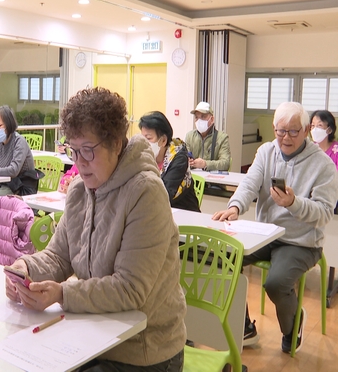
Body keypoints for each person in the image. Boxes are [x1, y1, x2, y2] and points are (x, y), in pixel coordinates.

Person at [6, 87, 186, 371]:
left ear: (116, 143)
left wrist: (62, 294)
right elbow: (59, 256)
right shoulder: (80, 190)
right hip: (92, 334)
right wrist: (25, 268)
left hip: (142, 349)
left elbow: (130, 289)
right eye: (73, 150)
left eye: (88, 151)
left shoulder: (145, 192)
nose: (79, 162)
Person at [212, 102, 338, 353]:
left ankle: (293, 325)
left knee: (276, 283)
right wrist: (235, 206)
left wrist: (293, 203)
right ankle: (244, 326)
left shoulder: (323, 164)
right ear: (273, 128)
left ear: (306, 131)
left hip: (301, 241)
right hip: (265, 235)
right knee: (222, 259)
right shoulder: (266, 152)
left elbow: (325, 213)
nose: (286, 138)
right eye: (281, 131)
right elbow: (249, 183)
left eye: (293, 131)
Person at [139, 111, 200, 212]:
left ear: (163, 140)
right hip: (156, 212)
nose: (144, 143)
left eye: (149, 138)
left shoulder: (179, 159)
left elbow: (165, 194)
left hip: (183, 213)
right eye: (142, 138)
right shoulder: (144, 158)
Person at [0, 105, 38, 196]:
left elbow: (13, 170)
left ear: (9, 124)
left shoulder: (19, 141)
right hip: (5, 184)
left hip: (21, 187)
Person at [185, 101, 231, 171]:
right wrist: (187, 162)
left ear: (212, 119)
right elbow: (184, 158)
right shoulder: (190, 136)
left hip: (213, 177)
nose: (199, 121)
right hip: (193, 176)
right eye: (196, 117)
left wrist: (205, 164)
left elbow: (225, 163)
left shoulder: (222, 138)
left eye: (203, 117)